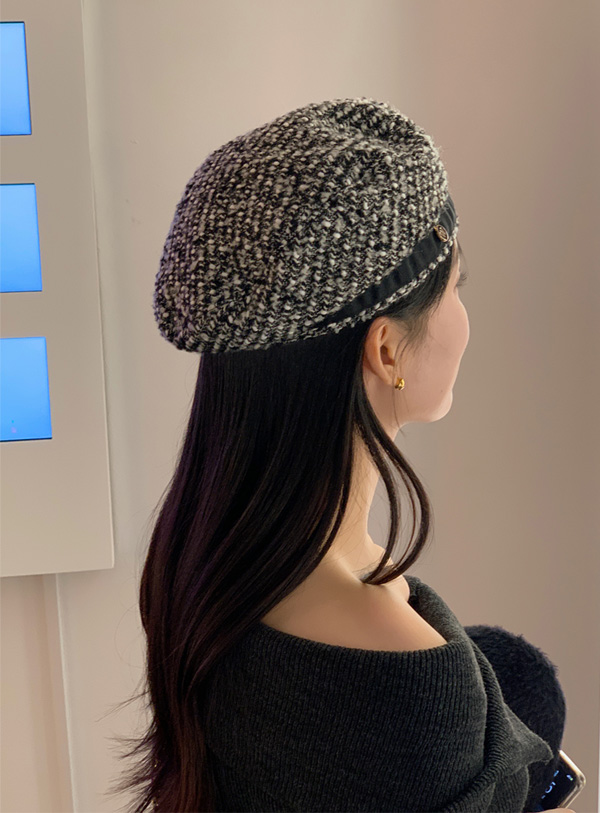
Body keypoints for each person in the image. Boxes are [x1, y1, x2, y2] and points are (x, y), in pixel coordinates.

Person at [107, 97, 572, 812]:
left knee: (524, 678)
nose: (463, 318)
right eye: (456, 287)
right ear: (385, 350)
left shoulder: (203, 555)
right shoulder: (409, 670)